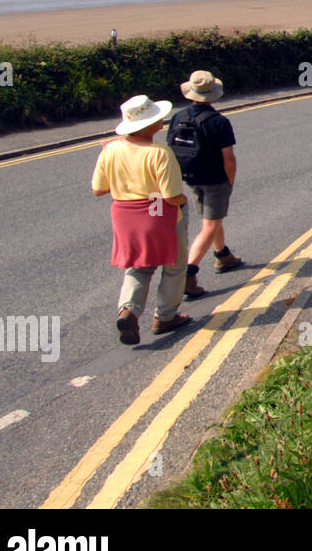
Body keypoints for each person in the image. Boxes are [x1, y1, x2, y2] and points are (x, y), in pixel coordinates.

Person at [92, 95, 191, 345]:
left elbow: (98, 189)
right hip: (156, 207)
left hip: (124, 214)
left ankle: (128, 310)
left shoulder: (110, 149)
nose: (161, 121)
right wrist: (183, 201)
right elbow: (170, 195)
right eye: (156, 118)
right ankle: (165, 316)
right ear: (146, 126)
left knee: (138, 265)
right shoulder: (159, 152)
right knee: (174, 264)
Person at [167, 71, 243, 294]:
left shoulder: (177, 117)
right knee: (210, 225)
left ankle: (222, 255)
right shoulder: (219, 122)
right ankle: (189, 274)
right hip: (215, 179)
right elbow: (228, 158)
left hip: (190, 178)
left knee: (212, 219)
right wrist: (230, 180)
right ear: (213, 95)